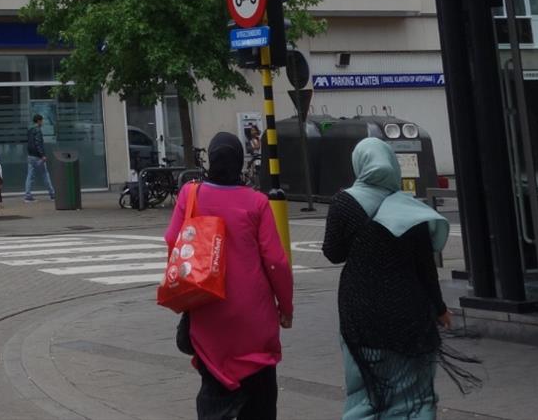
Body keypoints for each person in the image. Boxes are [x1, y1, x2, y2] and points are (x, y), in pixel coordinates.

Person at [323, 137, 476, 420]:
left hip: (361, 312)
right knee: (416, 396)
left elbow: (333, 253)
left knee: (366, 394)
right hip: (410, 311)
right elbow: (426, 267)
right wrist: (440, 308)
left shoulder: (344, 203)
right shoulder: (411, 208)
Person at [164, 132, 292, 420]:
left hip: (208, 309)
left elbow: (173, 239)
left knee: (213, 388)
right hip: (254, 317)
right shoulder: (257, 202)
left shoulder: (191, 194)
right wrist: (286, 308)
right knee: (260, 394)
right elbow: (275, 262)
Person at [23, 114, 53, 203]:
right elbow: (38, 143)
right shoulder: (38, 130)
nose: (42, 123)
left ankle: (28, 196)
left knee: (30, 176)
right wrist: (42, 155)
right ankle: (52, 194)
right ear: (39, 121)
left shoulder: (29, 130)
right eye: (42, 121)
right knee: (45, 174)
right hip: (38, 156)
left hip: (30, 156)